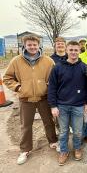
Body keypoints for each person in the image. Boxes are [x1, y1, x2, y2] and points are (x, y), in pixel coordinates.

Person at [3, 35, 58, 165]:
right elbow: (7, 78)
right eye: (29, 45)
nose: (32, 47)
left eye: (34, 45)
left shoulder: (48, 61)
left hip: (43, 98)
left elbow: (55, 78)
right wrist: (18, 87)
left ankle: (53, 142)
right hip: (25, 99)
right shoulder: (16, 61)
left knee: (49, 122)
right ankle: (25, 150)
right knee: (25, 125)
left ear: (39, 45)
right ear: (25, 46)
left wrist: (50, 87)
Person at [48, 41, 87, 166]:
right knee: (63, 131)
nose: (73, 52)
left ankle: (77, 148)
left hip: (78, 105)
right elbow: (52, 88)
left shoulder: (84, 67)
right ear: (66, 50)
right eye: (71, 50)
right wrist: (53, 106)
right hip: (62, 105)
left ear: (79, 51)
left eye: (76, 50)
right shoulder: (57, 67)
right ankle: (64, 151)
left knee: (77, 131)